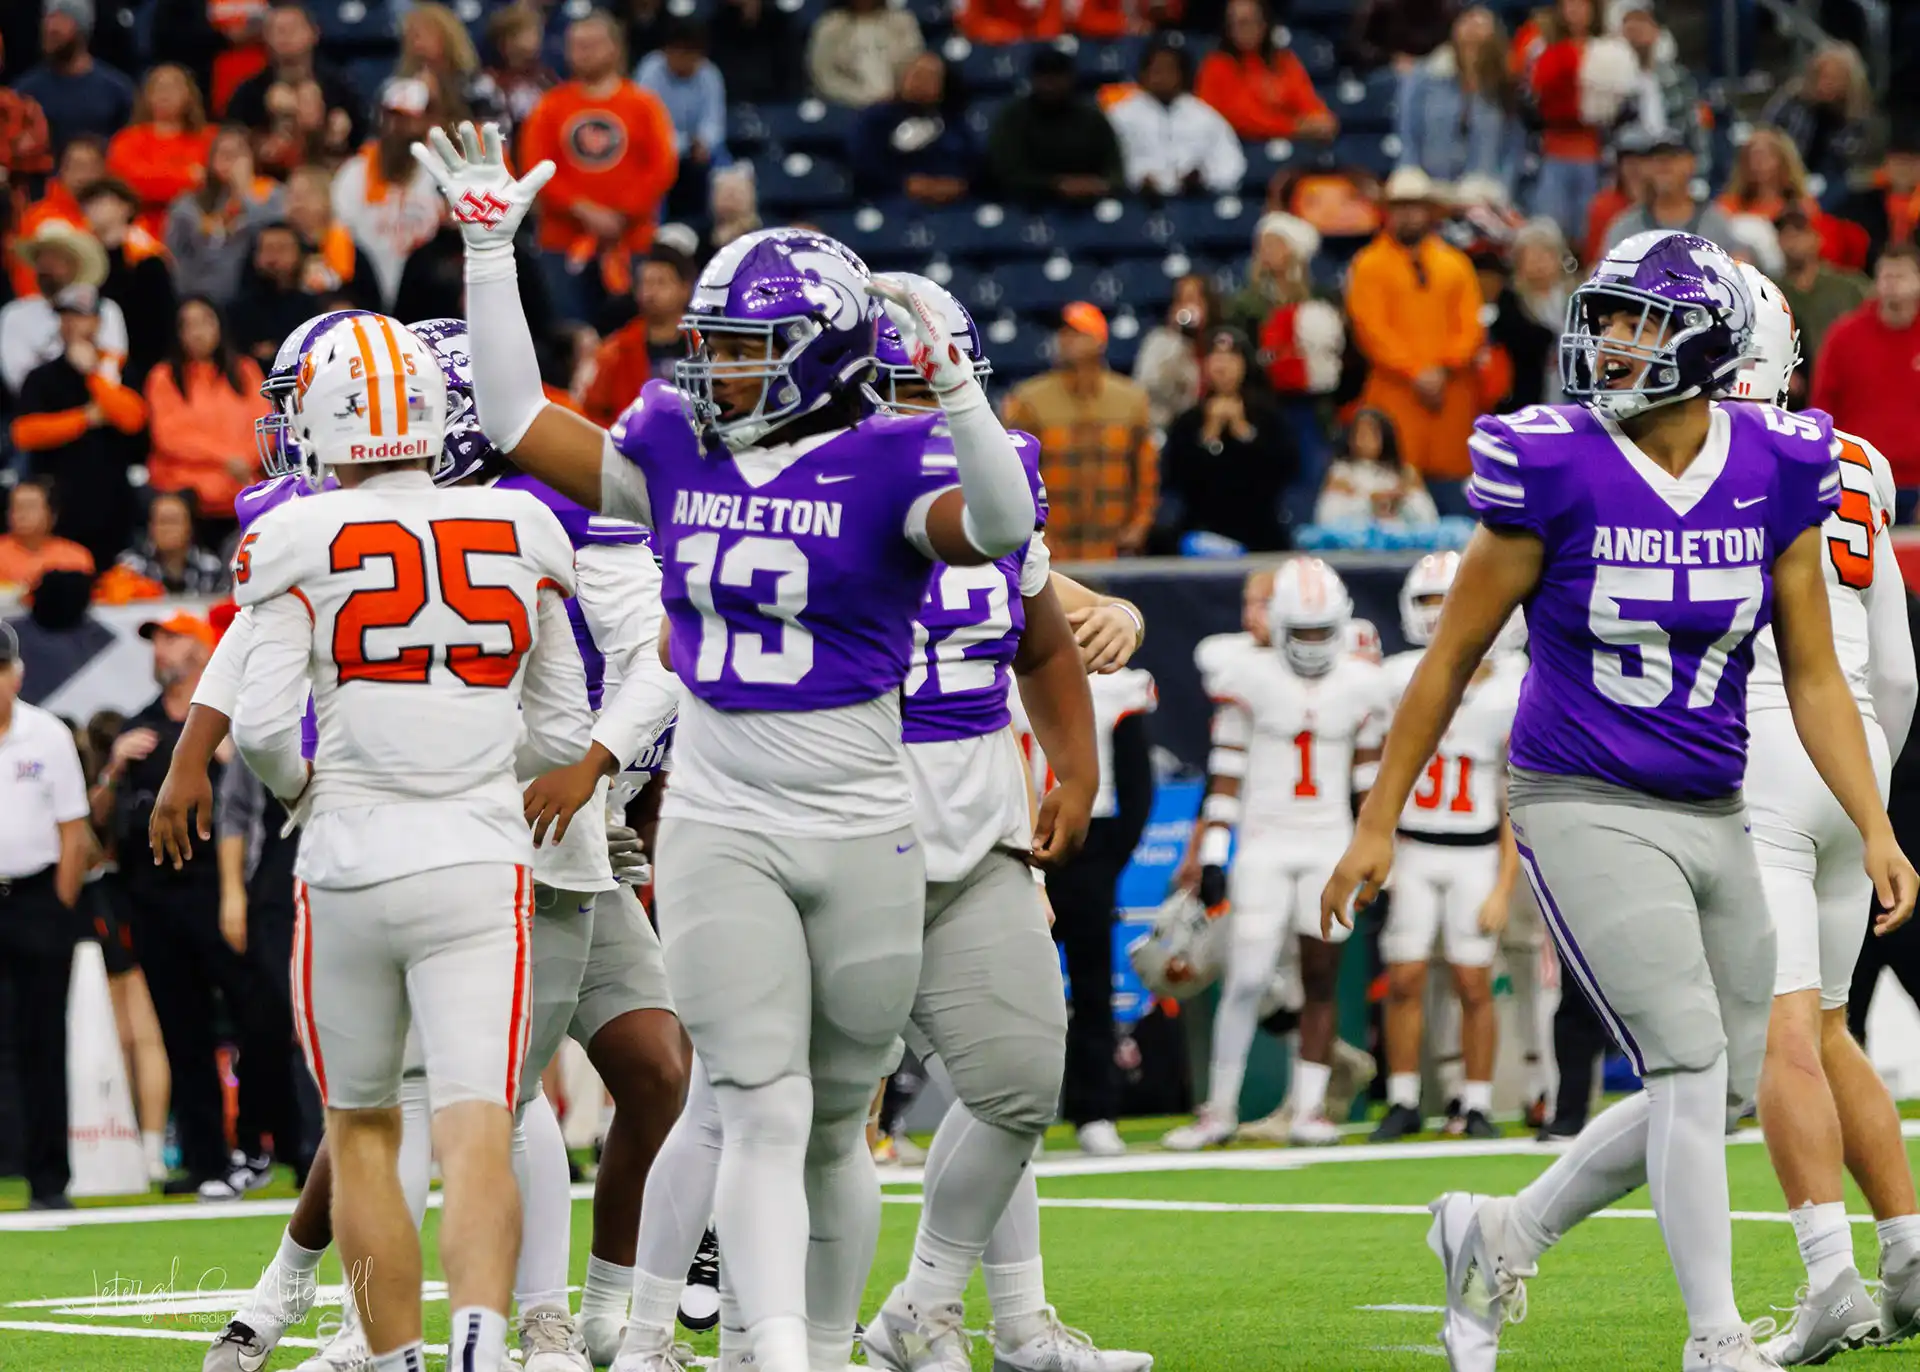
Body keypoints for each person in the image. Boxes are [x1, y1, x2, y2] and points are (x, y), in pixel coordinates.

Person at [414, 114, 1042, 1372]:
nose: (718, 373)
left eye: (751, 352)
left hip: (865, 822)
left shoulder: (890, 455)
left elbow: (1002, 518)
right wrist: (492, 257)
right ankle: (782, 1354)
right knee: (759, 1103)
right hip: (722, 818)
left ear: (819, 358)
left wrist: (965, 393)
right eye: (714, 347)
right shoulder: (676, 440)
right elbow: (522, 421)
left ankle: (810, 1339)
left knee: (829, 1130)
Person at [1321, 229, 1914, 1372]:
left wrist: (1878, 822)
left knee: (1727, 1080)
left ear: (1709, 341)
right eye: (1611, 315)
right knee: (1690, 1062)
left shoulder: (1777, 463)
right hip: (1581, 789)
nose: (1613, 341)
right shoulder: (1555, 460)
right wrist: (1377, 818)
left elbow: (1815, 671)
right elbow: (1448, 660)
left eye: (1641, 319)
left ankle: (1499, 1231)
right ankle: (1716, 1337)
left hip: (1712, 795)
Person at [227, 313, 592, 1372]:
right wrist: (473, 765)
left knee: (366, 1133)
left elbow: (257, 728)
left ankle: (392, 1361)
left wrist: (314, 790)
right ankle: (484, 1340)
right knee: (482, 1121)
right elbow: (565, 731)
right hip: (481, 859)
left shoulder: (293, 533)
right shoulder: (524, 525)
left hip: (347, 857)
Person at [1729, 263, 1920, 1363]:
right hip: (1860, 761)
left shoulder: (1695, 456)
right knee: (1834, 1029)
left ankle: (1828, 1279)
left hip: (1756, 753)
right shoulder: (1859, 459)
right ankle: (1905, 1252)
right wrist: (1875, 792)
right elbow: (1893, 668)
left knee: (1784, 1032)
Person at [1163, 556, 1385, 1151]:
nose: (1312, 644)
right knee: (1247, 976)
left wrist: (1373, 849)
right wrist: (1213, 852)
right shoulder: (1246, 676)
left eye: (1321, 632)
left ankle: (1309, 1109)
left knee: (1320, 975)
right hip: (1264, 842)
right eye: (1301, 631)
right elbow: (1226, 773)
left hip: (1327, 843)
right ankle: (1219, 1110)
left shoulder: (1359, 684)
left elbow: (1368, 783)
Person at [100, 611, 274, 1198]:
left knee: (261, 1015)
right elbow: (102, 820)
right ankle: (205, 1161)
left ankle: (263, 1142)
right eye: (157, 641)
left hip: (217, 890)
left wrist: (229, 757)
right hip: (154, 897)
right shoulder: (140, 727)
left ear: (204, 650)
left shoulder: (230, 722)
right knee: (182, 1031)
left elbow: (260, 809)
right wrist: (113, 767)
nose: (161, 650)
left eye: (172, 637)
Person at [1369, 551, 1522, 1142]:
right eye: (1429, 602)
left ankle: (1476, 1102)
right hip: (1414, 848)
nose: (1440, 616)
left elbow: (1513, 798)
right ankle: (1404, 1098)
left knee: (1473, 982)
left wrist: (1506, 884)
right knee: (1403, 978)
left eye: (1448, 601)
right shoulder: (1397, 678)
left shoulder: (1511, 686)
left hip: (1474, 854)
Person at [0, 621, 91, 1211]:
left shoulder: (47, 734)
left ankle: (48, 1179)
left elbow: (73, 828)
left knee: (43, 1040)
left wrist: (59, 902)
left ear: (17, 672)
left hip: (36, 897)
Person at [519, 13, 679, 325]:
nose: (583, 52)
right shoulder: (550, 106)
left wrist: (621, 213)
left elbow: (662, 167)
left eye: (592, 44)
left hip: (631, 242)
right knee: (568, 334)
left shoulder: (643, 104)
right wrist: (583, 209)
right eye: (576, 45)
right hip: (562, 242)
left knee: (633, 332)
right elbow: (536, 168)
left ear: (615, 48)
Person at [1345, 167, 1485, 514]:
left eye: (1415, 206)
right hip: (1396, 402)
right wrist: (1417, 371)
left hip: (1449, 403)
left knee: (1456, 508)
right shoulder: (1368, 265)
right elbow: (1369, 330)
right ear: (1388, 212)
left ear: (1430, 212)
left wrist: (1442, 367)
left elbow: (1471, 326)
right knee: (1398, 502)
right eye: (1400, 206)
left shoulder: (1456, 264)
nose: (1408, 214)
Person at [1004, 303, 1158, 560]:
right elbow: (1016, 473)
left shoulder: (1131, 400)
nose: (1065, 340)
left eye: (1076, 333)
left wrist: (1139, 526)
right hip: (1053, 549)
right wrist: (1034, 532)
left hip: (1114, 548)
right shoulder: (1030, 400)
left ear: (1099, 340)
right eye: (1063, 333)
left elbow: (1145, 473)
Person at [10, 284, 148, 568]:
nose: (72, 323)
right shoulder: (41, 376)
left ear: (97, 322)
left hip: (111, 504)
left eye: (81, 316)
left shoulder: (118, 369)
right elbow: (24, 433)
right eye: (66, 316)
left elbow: (134, 420)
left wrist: (94, 376)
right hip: (60, 506)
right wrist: (86, 418)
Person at [1152, 326, 1294, 552]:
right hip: (1199, 529)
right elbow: (1177, 479)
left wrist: (1244, 433)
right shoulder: (1187, 422)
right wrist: (1209, 436)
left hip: (1259, 532)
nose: (1222, 365)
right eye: (1215, 356)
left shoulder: (1270, 418)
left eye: (1231, 357)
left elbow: (1280, 473)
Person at [1811, 245, 1920, 522]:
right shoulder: (1844, 337)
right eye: (1886, 275)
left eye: (1901, 276)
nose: (1892, 284)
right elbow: (1822, 409)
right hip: (1860, 479)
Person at [143, 296, 268, 530]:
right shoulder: (163, 377)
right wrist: (227, 458)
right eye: (187, 325)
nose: (197, 332)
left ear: (219, 325)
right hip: (187, 494)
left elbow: (266, 426)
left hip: (242, 485)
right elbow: (169, 436)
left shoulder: (245, 370)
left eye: (204, 322)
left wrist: (245, 460)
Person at [328, 78, 450, 311]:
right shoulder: (354, 172)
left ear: (427, 121)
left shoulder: (442, 169)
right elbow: (341, 238)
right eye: (391, 116)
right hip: (366, 292)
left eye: (407, 119)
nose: (396, 127)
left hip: (426, 296)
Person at [1396, 6, 1522, 192]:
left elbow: (1513, 146)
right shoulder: (1426, 76)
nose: (1472, 25)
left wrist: (1502, 188)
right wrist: (1410, 175)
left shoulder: (1506, 85)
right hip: (1430, 188)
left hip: (1484, 190)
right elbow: (1408, 131)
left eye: (1481, 21)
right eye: (1467, 18)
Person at [224, 2, 364, 167]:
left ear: (314, 32)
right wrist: (259, 145)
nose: (285, 36)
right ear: (265, 37)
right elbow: (230, 141)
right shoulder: (248, 93)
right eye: (277, 30)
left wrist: (334, 139)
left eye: (293, 28)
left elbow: (362, 145)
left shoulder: (341, 88)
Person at [2, 217, 129, 396]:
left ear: (75, 264)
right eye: (41, 257)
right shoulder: (15, 315)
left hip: (100, 409)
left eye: (56, 258)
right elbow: (20, 382)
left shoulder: (104, 310)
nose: (46, 266)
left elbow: (113, 372)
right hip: (41, 415)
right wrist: (67, 363)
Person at [985, 45, 1124, 207]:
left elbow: (1115, 169)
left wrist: (1100, 185)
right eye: (1044, 77)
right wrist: (1055, 185)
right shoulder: (1013, 117)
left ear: (1071, 78)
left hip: (1091, 206)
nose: (1050, 85)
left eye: (1057, 77)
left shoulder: (1091, 117)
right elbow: (1005, 173)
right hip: (1026, 206)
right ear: (1033, 80)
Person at [1107, 38, 1245, 201]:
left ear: (1182, 75)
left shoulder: (1204, 115)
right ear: (1143, 74)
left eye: (1170, 70)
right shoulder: (1121, 114)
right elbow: (1108, 164)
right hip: (1136, 204)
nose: (1163, 77)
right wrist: (1135, 179)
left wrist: (1205, 178)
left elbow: (1232, 164)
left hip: (1193, 203)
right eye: (1157, 70)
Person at [164, 124, 284, 307]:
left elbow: (274, 232)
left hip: (254, 296)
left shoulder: (271, 194)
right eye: (223, 153)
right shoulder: (189, 205)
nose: (230, 161)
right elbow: (175, 251)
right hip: (199, 296)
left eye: (237, 154)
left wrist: (243, 192)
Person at [580, 242, 695, 428]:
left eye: (661, 283)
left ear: (685, 289)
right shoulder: (615, 350)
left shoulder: (707, 346)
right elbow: (593, 412)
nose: (651, 292)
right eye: (645, 283)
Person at [79, 177, 176, 390]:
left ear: (126, 207)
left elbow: (164, 321)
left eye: (102, 200)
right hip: (101, 362)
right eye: (89, 203)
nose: (94, 209)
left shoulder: (149, 259)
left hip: (145, 362)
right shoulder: (83, 262)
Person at [1195, 0, 1338, 141]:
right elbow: (1243, 117)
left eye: (1246, 22)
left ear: (1264, 24)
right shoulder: (1215, 65)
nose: (1239, 29)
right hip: (1239, 147)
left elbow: (1308, 100)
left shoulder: (1283, 60)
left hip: (1290, 143)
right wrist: (1293, 128)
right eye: (1233, 23)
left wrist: (1321, 120)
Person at [848, 51, 977, 207]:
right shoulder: (875, 118)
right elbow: (864, 160)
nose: (921, 83)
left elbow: (969, 161)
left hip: (950, 204)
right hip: (891, 199)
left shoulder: (953, 121)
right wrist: (904, 183)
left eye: (931, 77)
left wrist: (953, 184)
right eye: (916, 75)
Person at [104, 64, 213, 241]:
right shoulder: (126, 140)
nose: (165, 94)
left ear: (189, 95)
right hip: (140, 230)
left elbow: (212, 185)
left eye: (173, 87)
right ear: (146, 95)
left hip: (199, 228)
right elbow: (128, 185)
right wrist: (187, 176)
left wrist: (155, 176)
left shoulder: (208, 139)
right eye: (158, 87)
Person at [636, 19, 729, 222]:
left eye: (689, 54)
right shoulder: (651, 70)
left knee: (725, 166)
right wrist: (684, 144)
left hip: (699, 150)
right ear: (666, 51)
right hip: (659, 147)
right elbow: (647, 126)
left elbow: (714, 121)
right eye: (677, 52)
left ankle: (717, 231)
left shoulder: (709, 74)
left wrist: (705, 141)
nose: (682, 59)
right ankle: (654, 229)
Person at [1773, 205, 1869, 403]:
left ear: (1818, 238)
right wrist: (1777, 371)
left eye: (1800, 232)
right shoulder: (1770, 290)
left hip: (1848, 385)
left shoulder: (1849, 286)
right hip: (1794, 396)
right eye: (1785, 234)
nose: (1792, 241)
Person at [13, 0, 135, 154]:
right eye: (48, 21)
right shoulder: (26, 90)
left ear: (82, 30)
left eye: (60, 21)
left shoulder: (117, 90)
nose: (51, 26)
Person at [1759, 40, 1870, 201]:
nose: (1827, 83)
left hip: (1833, 184)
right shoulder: (1791, 99)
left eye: (1835, 78)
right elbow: (1765, 134)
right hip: (1786, 173)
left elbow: (1853, 164)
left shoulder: (1857, 116)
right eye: (1823, 76)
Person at [1600, 132, 1739, 256]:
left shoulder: (1716, 222)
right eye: (1655, 157)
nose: (1663, 164)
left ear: (1691, 163)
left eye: (1672, 156)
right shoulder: (1626, 228)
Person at [1313, 407, 1438, 525]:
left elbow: (1430, 520)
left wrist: (1404, 499)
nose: (1364, 439)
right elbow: (1324, 519)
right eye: (1360, 433)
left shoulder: (1403, 473)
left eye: (1372, 433)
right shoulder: (1340, 474)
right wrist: (1368, 502)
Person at [283, 164, 381, 310]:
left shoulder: (351, 252)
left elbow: (371, 303)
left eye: (305, 195)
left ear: (327, 198)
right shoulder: (277, 245)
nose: (296, 203)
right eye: (291, 195)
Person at [397, 3, 506, 133]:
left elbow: (493, 133)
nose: (416, 44)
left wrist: (442, 99)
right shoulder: (398, 88)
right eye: (411, 37)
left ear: (447, 37)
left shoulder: (478, 86)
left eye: (421, 35)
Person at [806, 0, 925, 109]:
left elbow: (917, 64)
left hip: (899, 105)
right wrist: (863, 98)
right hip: (846, 109)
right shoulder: (829, 27)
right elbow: (825, 77)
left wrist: (899, 93)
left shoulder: (903, 21)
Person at [112, 490, 230, 595]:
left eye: (174, 521)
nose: (168, 529)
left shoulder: (210, 566)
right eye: (162, 521)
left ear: (189, 527)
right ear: (151, 527)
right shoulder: (129, 566)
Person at [1134, 273, 1214, 429]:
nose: (1188, 309)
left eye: (1194, 300)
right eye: (1181, 301)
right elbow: (1148, 385)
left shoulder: (1218, 344)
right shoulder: (1159, 341)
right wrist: (1178, 341)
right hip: (1163, 425)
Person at [0, 477, 95, 595]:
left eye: (30, 507)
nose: (20, 514)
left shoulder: (76, 557)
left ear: (53, 515)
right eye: (15, 507)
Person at [484, 3, 560, 137]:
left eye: (536, 32)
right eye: (524, 33)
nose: (533, 39)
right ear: (504, 41)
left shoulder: (547, 80)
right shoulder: (488, 84)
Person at [709, 0, 798, 106]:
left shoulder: (781, 25)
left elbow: (792, 81)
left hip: (775, 105)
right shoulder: (714, 27)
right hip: (729, 105)